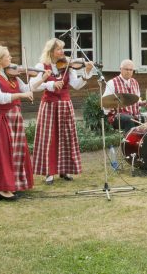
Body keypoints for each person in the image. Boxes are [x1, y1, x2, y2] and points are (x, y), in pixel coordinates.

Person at [0, 45, 47, 201]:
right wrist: (21, 95)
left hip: (14, 117)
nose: (11, 59)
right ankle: (3, 188)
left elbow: (27, 87)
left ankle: (14, 183)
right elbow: (0, 98)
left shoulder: (11, 76)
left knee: (16, 151)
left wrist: (42, 78)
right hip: (0, 117)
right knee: (3, 152)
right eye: (8, 56)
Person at [31, 38, 94, 185]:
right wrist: (51, 84)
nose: (62, 52)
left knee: (66, 137)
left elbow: (77, 85)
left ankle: (64, 169)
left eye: (62, 49)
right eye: (59, 49)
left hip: (65, 105)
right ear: (51, 51)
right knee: (49, 138)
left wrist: (87, 72)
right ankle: (49, 172)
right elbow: (34, 86)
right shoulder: (41, 65)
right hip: (49, 105)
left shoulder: (67, 65)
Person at [101, 59, 147, 132]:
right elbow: (105, 102)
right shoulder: (112, 83)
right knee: (129, 119)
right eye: (126, 69)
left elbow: (136, 100)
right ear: (121, 69)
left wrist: (142, 103)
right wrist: (111, 111)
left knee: (144, 118)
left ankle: (141, 142)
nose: (128, 71)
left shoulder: (135, 82)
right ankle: (128, 142)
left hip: (134, 115)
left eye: (131, 70)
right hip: (117, 116)